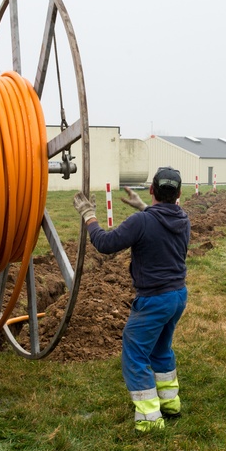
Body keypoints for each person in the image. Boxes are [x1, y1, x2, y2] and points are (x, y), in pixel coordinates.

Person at [72, 167, 191, 433]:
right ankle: (170, 404)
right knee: (161, 349)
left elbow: (105, 243)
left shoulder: (143, 221)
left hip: (154, 299)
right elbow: (160, 220)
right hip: (177, 296)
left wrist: (89, 215)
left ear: (151, 190)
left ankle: (149, 418)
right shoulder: (182, 218)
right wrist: (144, 209)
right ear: (180, 194)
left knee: (135, 353)